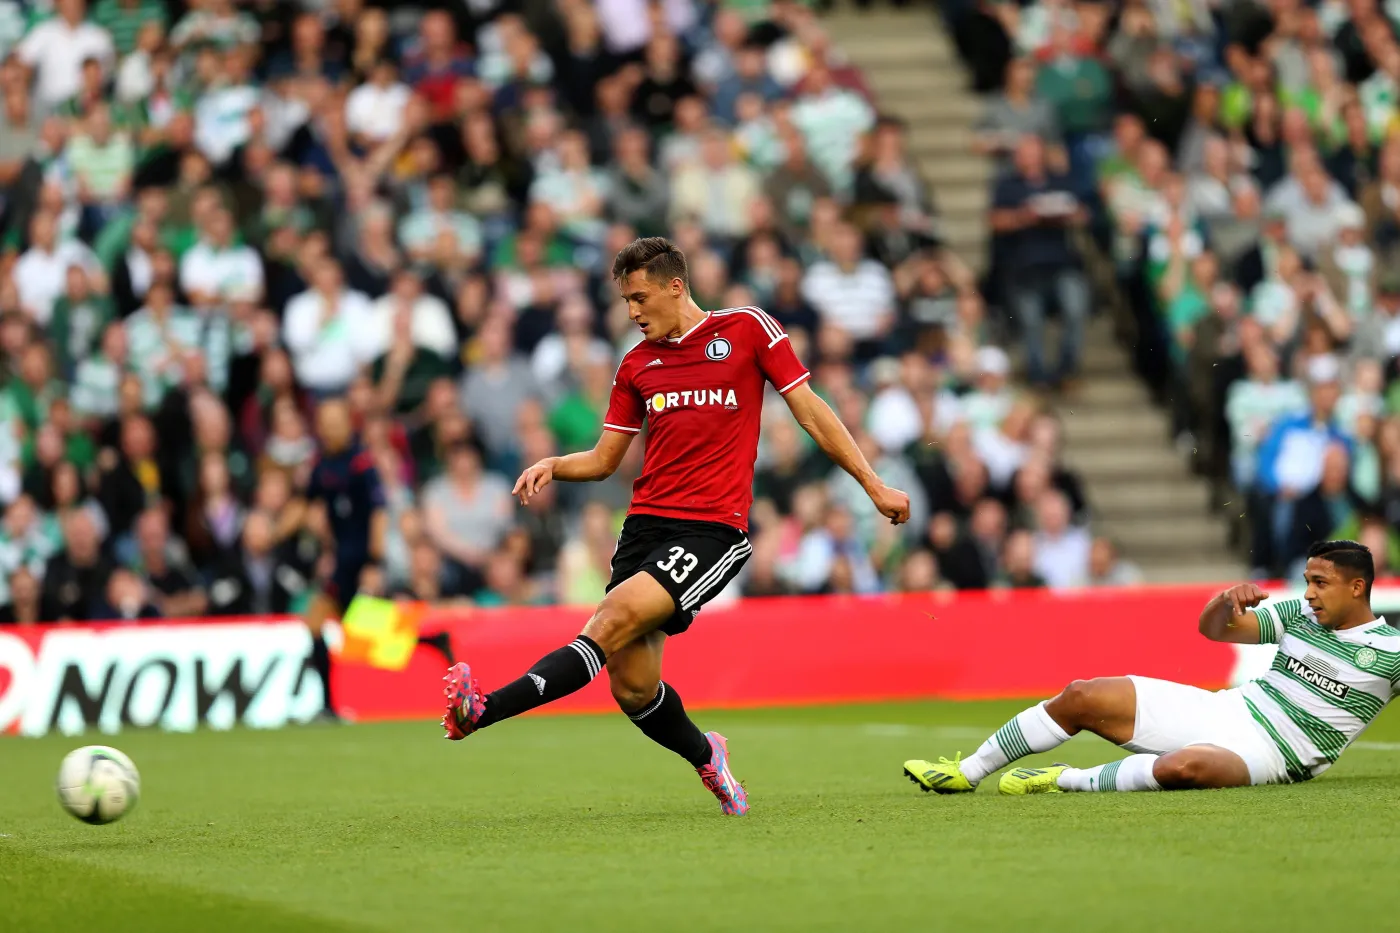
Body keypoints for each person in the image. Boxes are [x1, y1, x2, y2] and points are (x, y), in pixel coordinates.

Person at [441, 237, 911, 815]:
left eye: (639, 298)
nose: (633, 312)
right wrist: (554, 465)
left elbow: (809, 410)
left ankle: (483, 709)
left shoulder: (746, 329)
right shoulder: (637, 364)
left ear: (676, 286)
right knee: (632, 686)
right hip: (644, 529)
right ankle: (708, 757)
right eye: (625, 302)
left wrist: (873, 484)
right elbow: (605, 460)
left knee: (608, 620)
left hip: (712, 530)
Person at [903, 540, 1398, 796]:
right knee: (1082, 694)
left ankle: (1062, 779)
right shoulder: (1298, 614)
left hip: (1276, 754)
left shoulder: (1390, 651)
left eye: (1320, 583)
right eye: (1307, 580)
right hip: (1228, 710)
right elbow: (1214, 631)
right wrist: (1224, 602)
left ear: (1357, 588)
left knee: (1187, 767)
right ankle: (965, 773)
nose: (1309, 592)